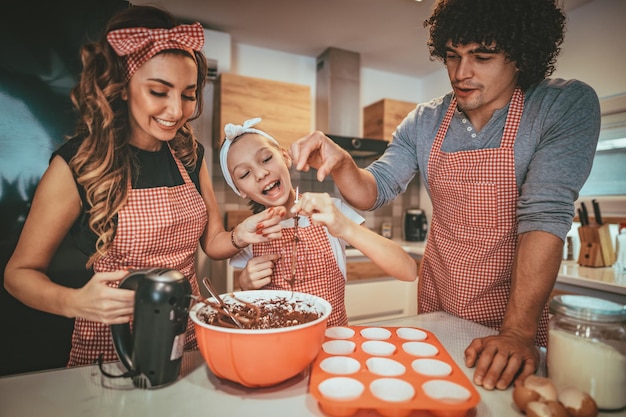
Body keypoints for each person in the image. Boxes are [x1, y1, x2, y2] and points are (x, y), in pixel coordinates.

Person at [290, 0, 601, 390]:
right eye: (452, 56)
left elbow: (543, 215)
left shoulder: (561, 106)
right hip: (440, 305)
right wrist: (343, 165)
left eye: (481, 57)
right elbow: (376, 189)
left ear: (522, 55)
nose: (461, 72)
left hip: (513, 314)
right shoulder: (425, 120)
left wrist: (518, 333)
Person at [3, 5, 283, 367]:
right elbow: (18, 275)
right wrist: (76, 302)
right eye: (158, 91)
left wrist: (240, 236)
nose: (176, 110)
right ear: (123, 88)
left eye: (187, 94)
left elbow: (213, 244)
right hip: (112, 339)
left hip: (186, 331)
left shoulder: (189, 154)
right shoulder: (80, 163)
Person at [219, 118, 418, 326]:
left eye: (266, 158)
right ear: (240, 190)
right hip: (279, 351)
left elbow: (408, 271)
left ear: (285, 156)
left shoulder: (330, 210)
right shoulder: (250, 234)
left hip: (334, 346)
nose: (261, 173)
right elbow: (246, 312)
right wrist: (245, 285)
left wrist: (345, 226)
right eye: (245, 174)